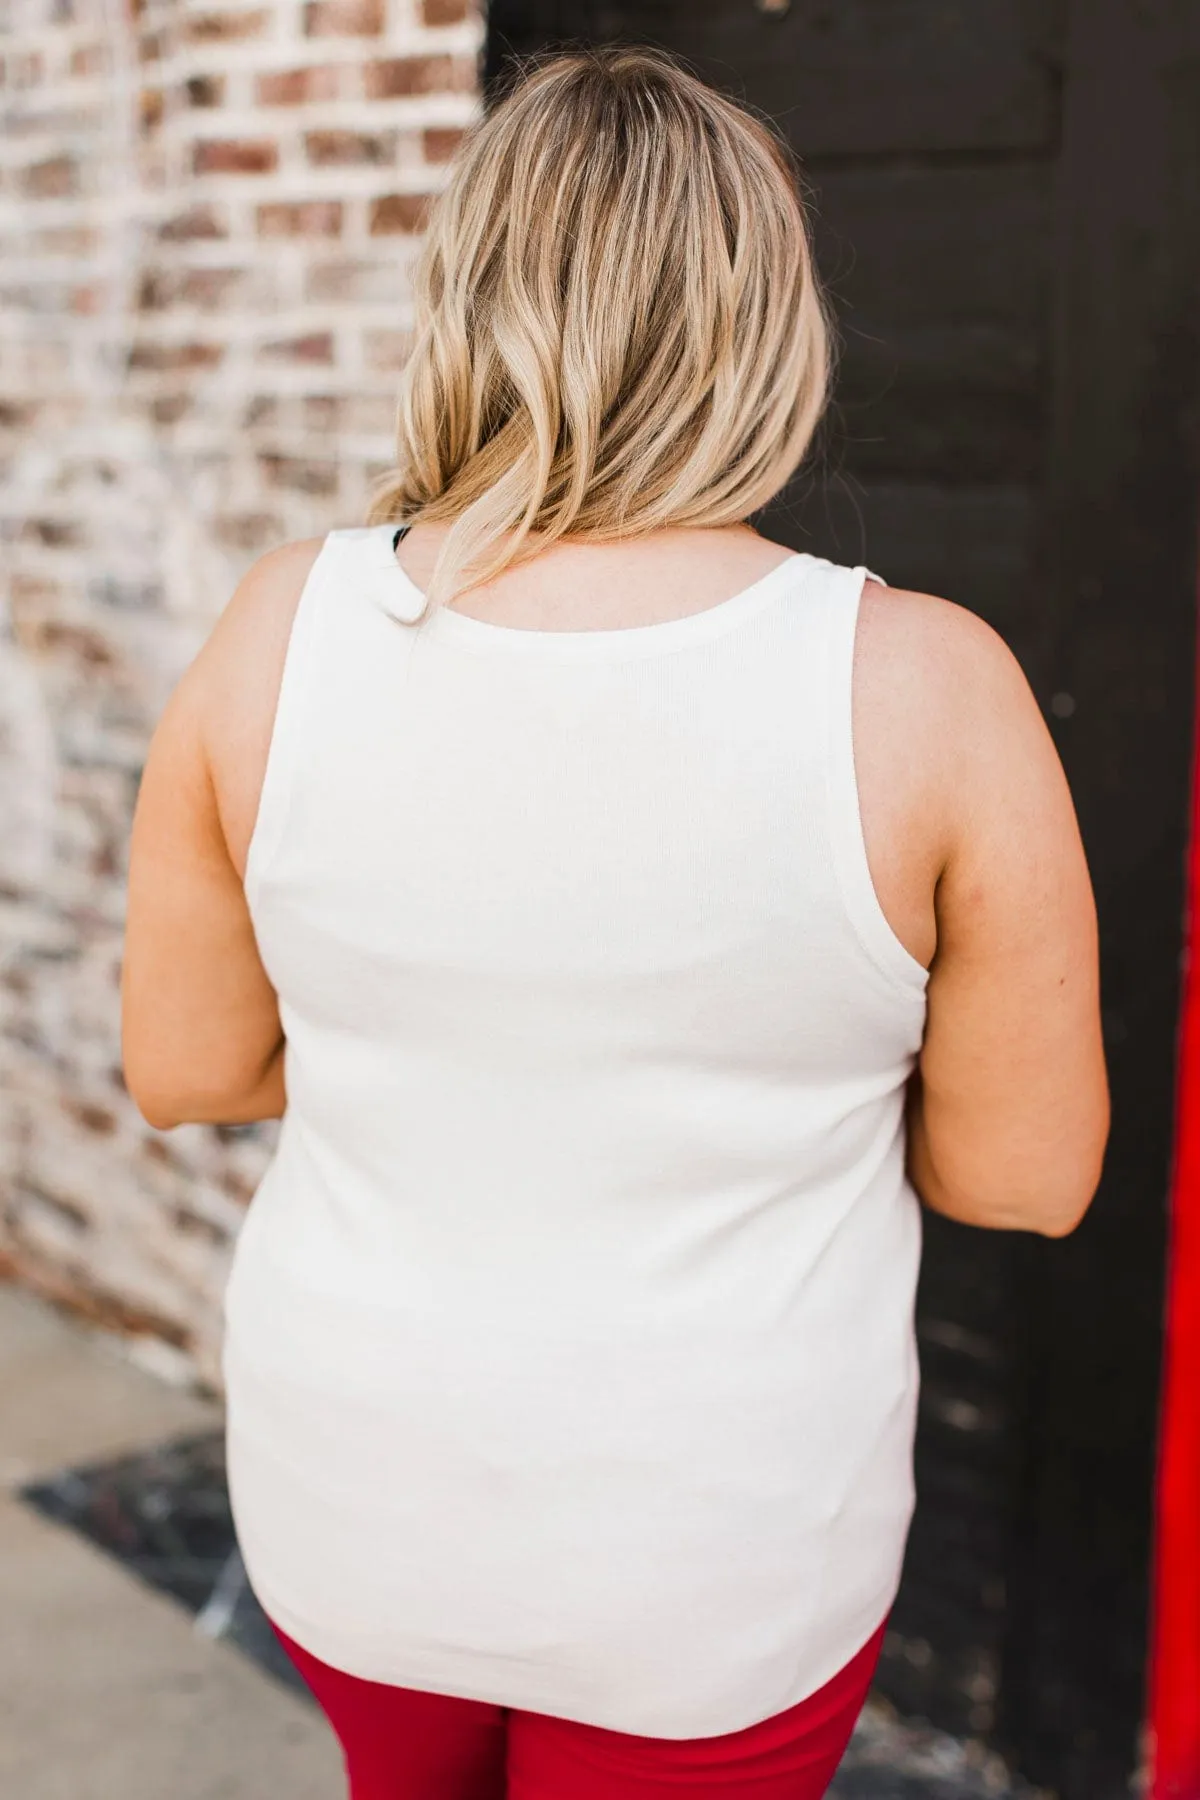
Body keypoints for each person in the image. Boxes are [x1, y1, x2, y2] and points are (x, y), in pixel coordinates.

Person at [121, 46, 1109, 1800]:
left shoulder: (279, 630)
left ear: (468, 301)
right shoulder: (931, 691)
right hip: (717, 1556)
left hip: (358, 1499)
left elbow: (188, 1070)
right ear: (765, 330)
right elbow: (1022, 1176)